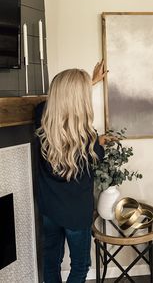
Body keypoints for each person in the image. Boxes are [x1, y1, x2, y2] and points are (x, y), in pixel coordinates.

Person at [35, 61, 108, 283]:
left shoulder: (41, 117)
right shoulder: (89, 141)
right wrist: (100, 142)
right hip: (76, 215)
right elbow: (96, 154)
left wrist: (90, 82)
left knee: (51, 261)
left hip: (49, 209)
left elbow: (55, 106)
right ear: (81, 100)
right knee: (80, 265)